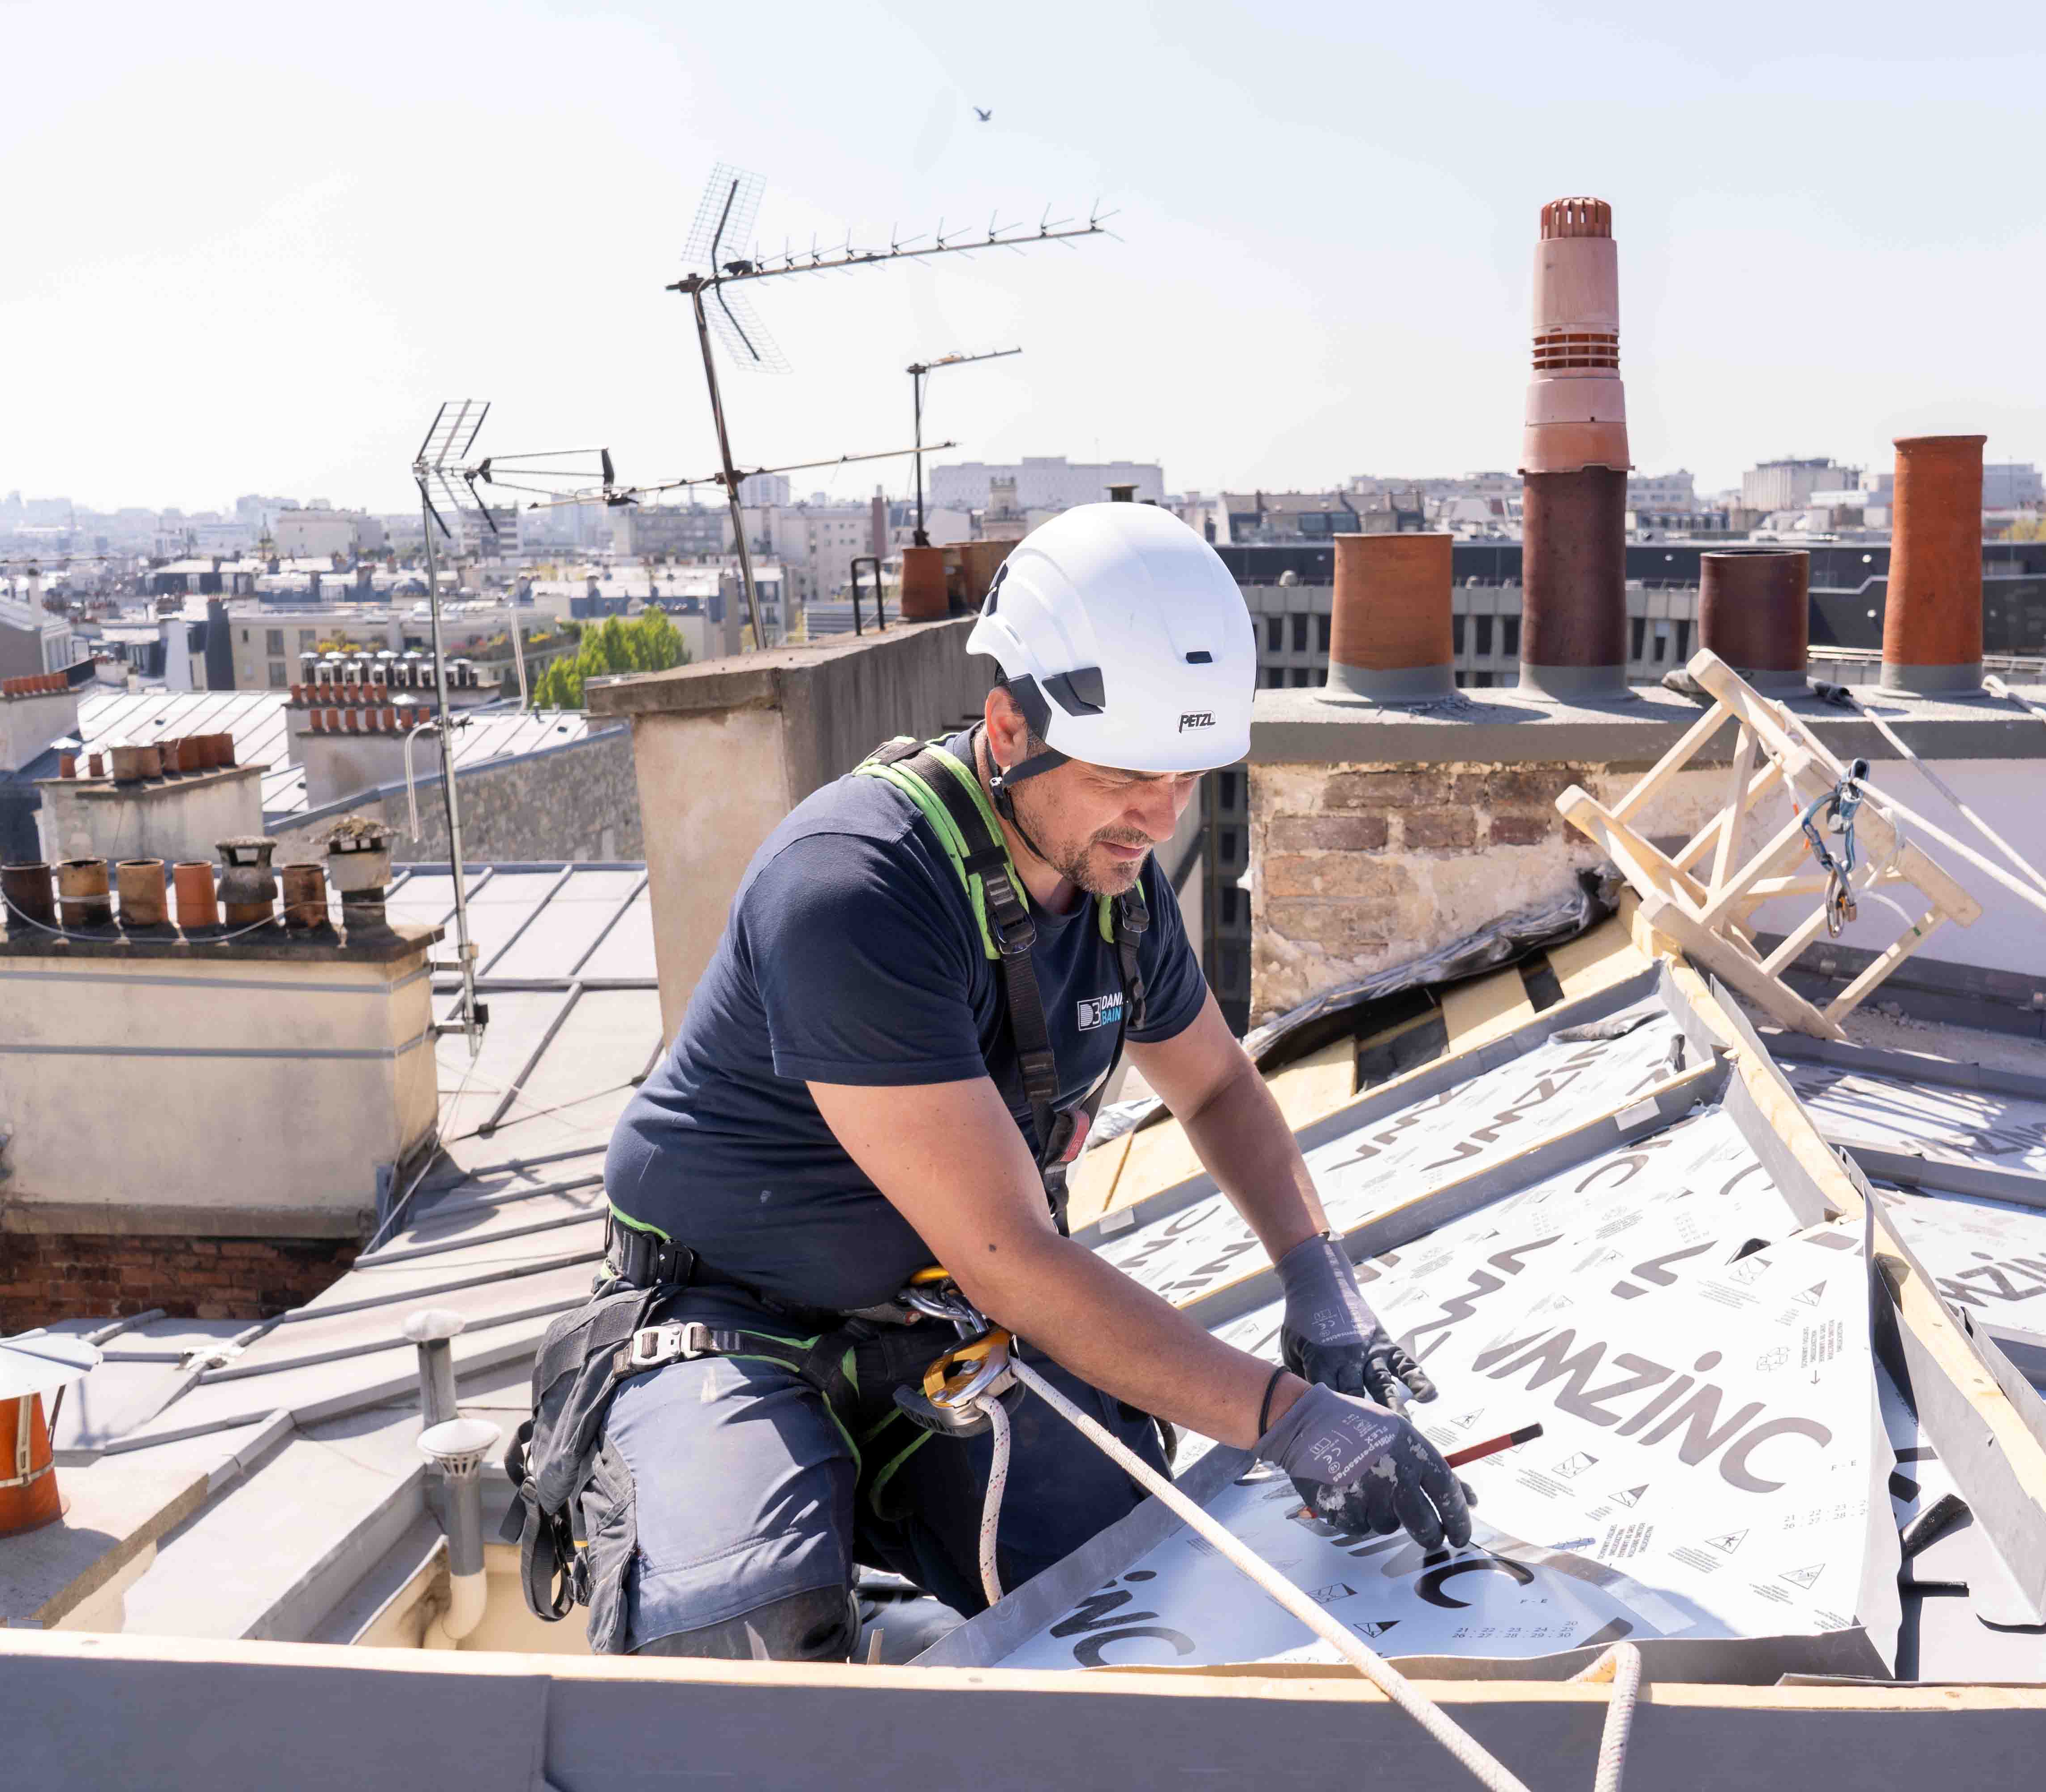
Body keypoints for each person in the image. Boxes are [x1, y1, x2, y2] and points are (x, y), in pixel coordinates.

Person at [539, 502, 1468, 1661]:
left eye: (1185, 778)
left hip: (936, 1328)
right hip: (728, 1318)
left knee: (1137, 1584)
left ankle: (893, 1625)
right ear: (1007, 723)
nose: (1162, 815)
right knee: (737, 1638)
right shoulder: (857, 887)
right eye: (1129, 772)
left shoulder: (1114, 885)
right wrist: (1292, 1417)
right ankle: (818, 1611)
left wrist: (1318, 1279)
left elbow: (1220, 1089)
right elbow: (1015, 1261)